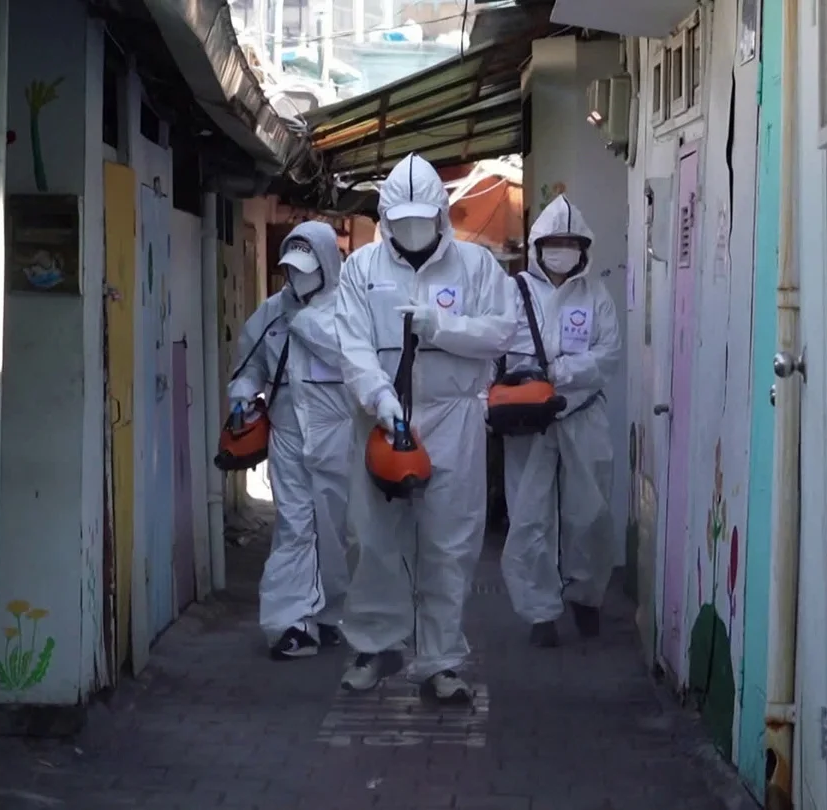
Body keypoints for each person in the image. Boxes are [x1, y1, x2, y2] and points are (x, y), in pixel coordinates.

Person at [334, 153, 516, 703]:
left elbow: (501, 331)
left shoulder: (477, 266)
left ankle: (440, 659)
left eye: (422, 218)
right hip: (381, 417)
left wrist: (444, 327)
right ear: (386, 218)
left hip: (454, 415)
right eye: (402, 220)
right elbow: (352, 344)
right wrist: (379, 397)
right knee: (372, 538)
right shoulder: (361, 269)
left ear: (440, 214)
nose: (413, 229)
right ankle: (374, 644)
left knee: (449, 542)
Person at [228, 221, 356, 661]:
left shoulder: (350, 311)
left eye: (306, 269)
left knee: (336, 530)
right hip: (287, 432)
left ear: (327, 265)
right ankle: (290, 622)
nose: (297, 277)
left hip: (338, 433)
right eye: (292, 269)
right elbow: (249, 364)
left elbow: (355, 361)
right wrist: (244, 392)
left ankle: (328, 612)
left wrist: (306, 325)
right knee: (294, 527)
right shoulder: (271, 313)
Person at [499, 194, 621, 647]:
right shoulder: (513, 293)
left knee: (590, 512)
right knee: (529, 517)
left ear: (583, 247)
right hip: (529, 420)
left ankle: (587, 596)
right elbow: (494, 349)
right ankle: (540, 612)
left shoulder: (595, 296)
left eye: (571, 242)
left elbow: (608, 354)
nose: (561, 250)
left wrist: (561, 373)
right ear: (537, 245)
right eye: (554, 242)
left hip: (582, 414)